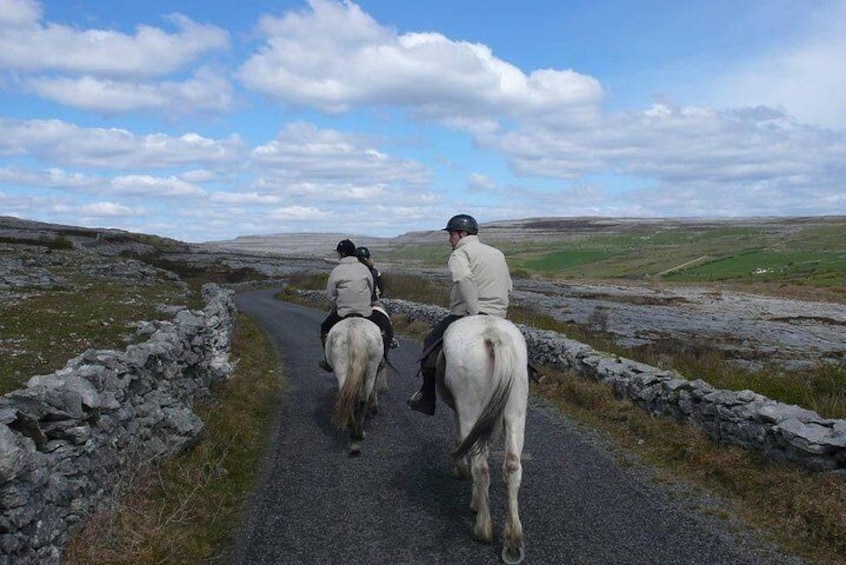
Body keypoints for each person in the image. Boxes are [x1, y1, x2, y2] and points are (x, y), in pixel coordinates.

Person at [407, 214, 513, 415]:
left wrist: (475, 313)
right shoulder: (498, 254)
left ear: (463, 233)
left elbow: (464, 279)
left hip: (467, 314)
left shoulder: (460, 253)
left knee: (430, 344)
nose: (449, 240)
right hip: (499, 317)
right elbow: (508, 285)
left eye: (451, 235)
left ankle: (427, 398)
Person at [319, 239, 374, 372]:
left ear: (342, 253)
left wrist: (336, 307)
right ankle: (381, 357)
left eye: (339, 253)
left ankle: (328, 360)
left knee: (324, 327)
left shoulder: (337, 270)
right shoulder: (364, 269)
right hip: (365, 312)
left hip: (342, 313)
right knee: (379, 330)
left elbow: (331, 295)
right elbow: (371, 289)